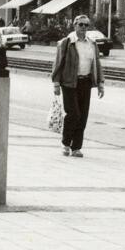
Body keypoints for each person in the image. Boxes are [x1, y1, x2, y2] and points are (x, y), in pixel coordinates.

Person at [51, 15, 104, 158]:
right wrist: (56, 83)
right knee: (73, 114)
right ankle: (66, 143)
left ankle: (76, 148)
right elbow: (58, 63)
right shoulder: (67, 43)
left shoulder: (92, 44)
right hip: (69, 82)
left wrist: (100, 83)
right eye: (81, 25)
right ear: (74, 25)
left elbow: (97, 64)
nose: (83, 28)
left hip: (85, 82)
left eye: (86, 25)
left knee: (83, 116)